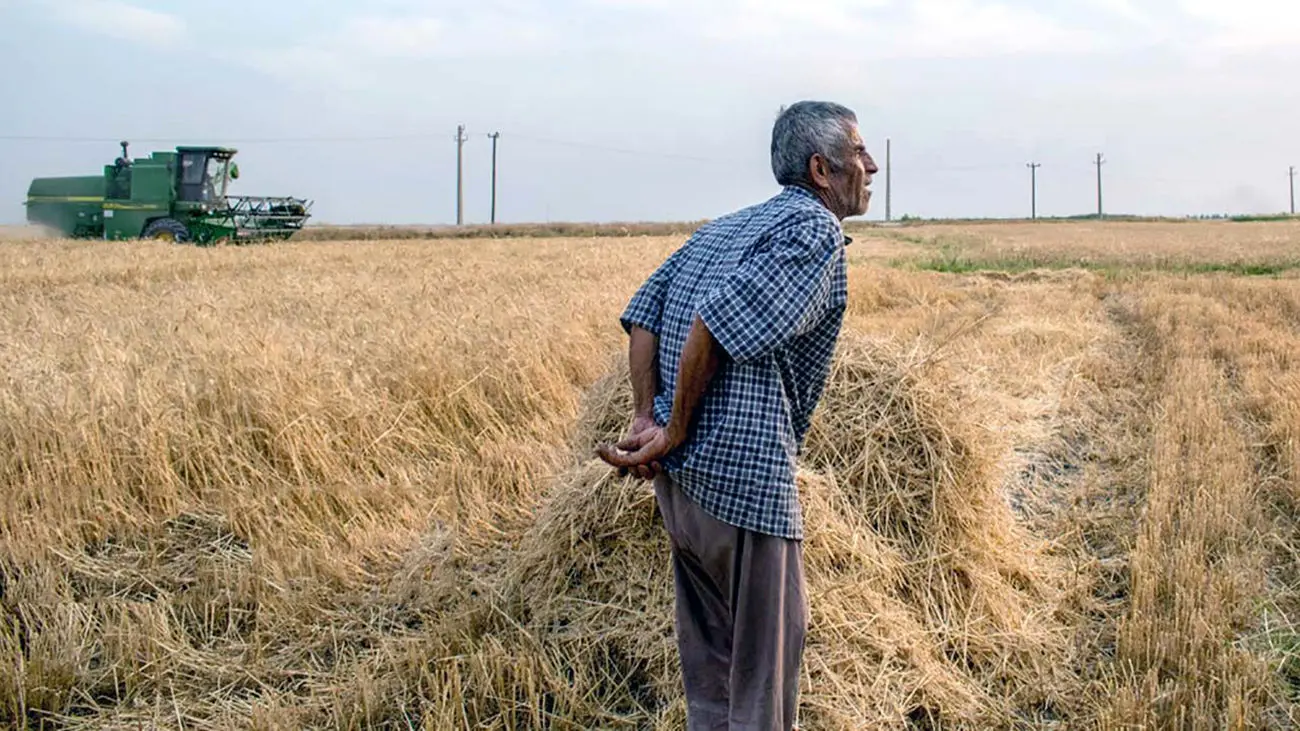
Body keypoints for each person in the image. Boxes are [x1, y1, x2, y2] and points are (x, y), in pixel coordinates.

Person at [596, 101, 878, 730]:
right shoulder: (813, 233)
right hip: (744, 486)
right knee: (763, 673)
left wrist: (648, 421)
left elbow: (643, 314)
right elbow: (713, 324)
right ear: (821, 169)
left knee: (712, 668)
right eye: (859, 153)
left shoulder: (727, 229)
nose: (873, 166)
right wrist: (672, 428)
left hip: (682, 488)